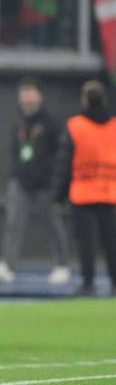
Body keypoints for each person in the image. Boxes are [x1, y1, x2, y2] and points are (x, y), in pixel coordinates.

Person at [0, 77, 70, 284]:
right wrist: (15, 174)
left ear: (40, 95)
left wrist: (54, 180)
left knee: (53, 224)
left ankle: (62, 265)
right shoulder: (20, 123)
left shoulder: (50, 123)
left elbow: (59, 153)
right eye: (23, 92)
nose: (27, 97)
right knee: (13, 223)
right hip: (21, 182)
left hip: (45, 184)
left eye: (30, 92)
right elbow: (17, 151)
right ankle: (7, 265)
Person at [53, 80, 116, 296]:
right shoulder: (114, 125)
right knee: (111, 242)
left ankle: (88, 282)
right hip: (109, 192)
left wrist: (58, 196)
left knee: (85, 243)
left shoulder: (75, 126)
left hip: (82, 193)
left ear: (85, 100)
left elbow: (64, 163)